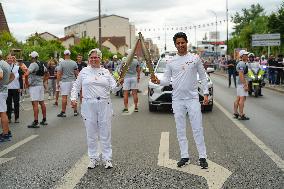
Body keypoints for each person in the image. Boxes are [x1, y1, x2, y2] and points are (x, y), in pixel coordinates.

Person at [151, 32, 209, 169]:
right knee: (180, 129)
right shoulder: (171, 62)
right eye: (178, 43)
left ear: (186, 42)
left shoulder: (195, 58)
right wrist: (158, 81)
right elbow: (166, 80)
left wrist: (206, 93)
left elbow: (203, 76)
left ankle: (202, 156)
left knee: (197, 128)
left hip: (193, 98)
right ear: (175, 44)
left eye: (183, 42)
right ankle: (184, 156)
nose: (181, 45)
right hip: (177, 100)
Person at [70, 48, 120, 169]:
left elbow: (114, 88)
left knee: (105, 132)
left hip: (104, 104)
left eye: (96, 57)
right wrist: (73, 98)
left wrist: (120, 83)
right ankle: (93, 158)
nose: (93, 59)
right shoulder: (84, 72)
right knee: (91, 133)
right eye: (91, 57)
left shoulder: (106, 72)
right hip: (88, 104)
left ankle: (107, 159)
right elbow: (76, 86)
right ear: (89, 59)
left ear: (100, 58)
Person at [25, 51, 49, 128]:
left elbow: (26, 74)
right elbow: (47, 74)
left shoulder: (33, 64)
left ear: (32, 57)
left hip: (34, 86)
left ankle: (36, 122)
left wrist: (27, 84)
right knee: (42, 103)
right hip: (40, 86)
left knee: (35, 104)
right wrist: (44, 80)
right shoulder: (41, 64)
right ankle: (44, 120)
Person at [57, 50, 79, 117]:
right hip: (73, 81)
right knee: (73, 96)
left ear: (64, 55)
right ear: (70, 54)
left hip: (65, 81)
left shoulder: (61, 63)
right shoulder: (74, 63)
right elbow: (76, 73)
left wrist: (58, 82)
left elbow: (59, 73)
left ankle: (63, 112)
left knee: (64, 97)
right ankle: (75, 111)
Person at [0, 50, 14, 142]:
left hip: (0, 91)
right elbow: (12, 76)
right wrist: (5, 84)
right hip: (4, 90)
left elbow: (0, 76)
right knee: (2, 112)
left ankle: (5, 134)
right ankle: (7, 131)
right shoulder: (5, 64)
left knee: (2, 113)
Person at [6, 54, 24, 123]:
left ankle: (17, 118)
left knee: (16, 103)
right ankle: (9, 118)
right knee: (8, 104)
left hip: (16, 88)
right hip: (7, 88)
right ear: (6, 59)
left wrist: (21, 87)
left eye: (11, 58)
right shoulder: (4, 67)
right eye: (8, 58)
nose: (10, 59)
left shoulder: (17, 67)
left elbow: (20, 78)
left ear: (13, 59)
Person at [233, 50, 250, 120]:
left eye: (247, 54)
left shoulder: (241, 63)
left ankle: (236, 113)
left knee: (238, 98)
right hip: (242, 84)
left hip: (240, 84)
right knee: (242, 99)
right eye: (245, 54)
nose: (247, 56)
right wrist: (245, 85)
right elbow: (241, 75)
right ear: (242, 56)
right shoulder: (242, 64)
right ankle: (241, 114)